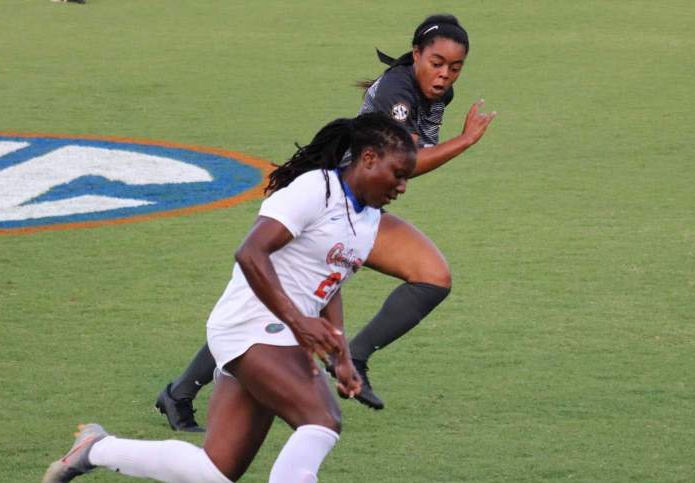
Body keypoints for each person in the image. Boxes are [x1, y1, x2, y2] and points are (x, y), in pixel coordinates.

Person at [40, 113, 417, 483]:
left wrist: (339, 350)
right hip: (250, 324)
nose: (403, 186)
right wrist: (300, 322)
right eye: (398, 174)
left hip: (280, 334)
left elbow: (331, 283)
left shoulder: (366, 219)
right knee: (322, 421)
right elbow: (250, 254)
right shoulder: (314, 191)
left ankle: (95, 449)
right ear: (368, 159)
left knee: (218, 469)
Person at [156, 13, 495, 430]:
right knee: (271, 307)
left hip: (362, 209)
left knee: (432, 276)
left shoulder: (437, 94)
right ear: (416, 55)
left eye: (455, 67)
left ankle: (354, 358)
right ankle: (180, 393)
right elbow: (408, 160)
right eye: (437, 63)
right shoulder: (398, 89)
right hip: (329, 207)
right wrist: (466, 141)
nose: (444, 75)